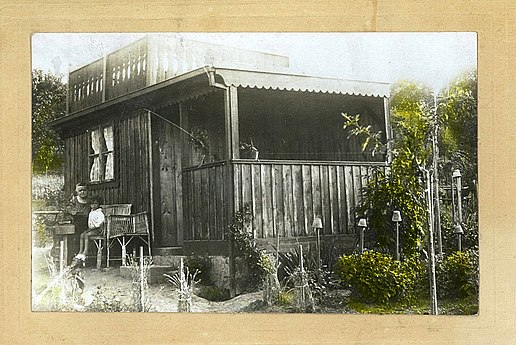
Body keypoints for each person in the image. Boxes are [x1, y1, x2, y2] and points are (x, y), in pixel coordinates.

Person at [63, 182, 91, 263]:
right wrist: (72, 212)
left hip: (87, 223)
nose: (82, 192)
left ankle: (83, 258)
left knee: (84, 236)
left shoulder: (90, 201)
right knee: (73, 239)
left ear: (88, 190)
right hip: (76, 222)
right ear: (76, 191)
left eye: (84, 190)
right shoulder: (74, 200)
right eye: (80, 190)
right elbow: (68, 209)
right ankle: (71, 258)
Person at [75, 196, 105, 261]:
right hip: (92, 229)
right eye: (92, 204)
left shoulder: (100, 213)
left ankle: (86, 250)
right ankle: (80, 251)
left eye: (95, 204)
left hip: (98, 230)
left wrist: (89, 230)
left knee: (86, 235)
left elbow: (99, 224)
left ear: (99, 204)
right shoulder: (91, 212)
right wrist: (89, 229)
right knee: (82, 234)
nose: (93, 206)